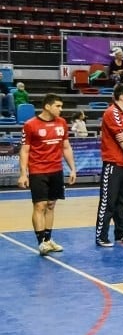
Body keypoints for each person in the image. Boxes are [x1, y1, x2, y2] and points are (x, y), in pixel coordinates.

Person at [18, 94, 76, 255]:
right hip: (38, 171)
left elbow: (66, 147)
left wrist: (72, 168)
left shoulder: (62, 123)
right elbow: (24, 151)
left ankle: (48, 239)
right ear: (47, 106)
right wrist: (24, 174)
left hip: (56, 170)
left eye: (61, 106)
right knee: (39, 205)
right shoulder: (30, 125)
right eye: (58, 106)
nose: (61, 109)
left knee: (51, 205)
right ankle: (41, 242)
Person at [94, 84, 123, 247]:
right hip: (113, 163)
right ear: (122, 96)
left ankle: (122, 233)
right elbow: (121, 139)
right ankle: (101, 235)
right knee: (108, 202)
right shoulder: (111, 112)